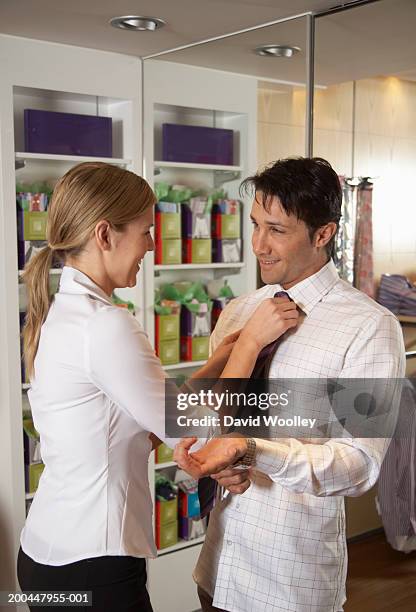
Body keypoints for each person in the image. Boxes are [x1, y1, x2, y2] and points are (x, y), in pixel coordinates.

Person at [17, 162, 299, 612]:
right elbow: (200, 432)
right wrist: (249, 344)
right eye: (146, 231)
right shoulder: (105, 326)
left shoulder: (67, 311)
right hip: (93, 568)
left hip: (45, 556)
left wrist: (219, 360)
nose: (152, 245)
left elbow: (146, 405)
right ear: (105, 234)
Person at [174, 157, 406, 612]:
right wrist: (216, 453)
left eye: (277, 230)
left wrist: (254, 451)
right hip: (218, 566)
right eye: (256, 224)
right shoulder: (238, 312)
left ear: (323, 234)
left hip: (289, 584)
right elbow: (206, 418)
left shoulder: (370, 327)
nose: (259, 243)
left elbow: (361, 464)